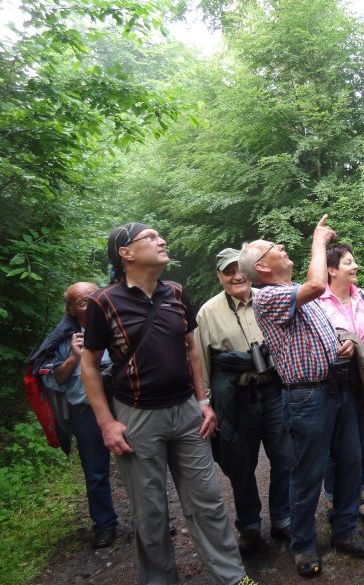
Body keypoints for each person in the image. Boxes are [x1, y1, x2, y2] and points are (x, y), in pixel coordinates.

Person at [80, 222, 251, 585]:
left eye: (160, 236)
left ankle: (232, 577)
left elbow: (191, 351)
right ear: (125, 254)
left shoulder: (175, 293)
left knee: (208, 501)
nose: (162, 241)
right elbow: (90, 366)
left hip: (187, 413)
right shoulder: (103, 302)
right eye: (151, 238)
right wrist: (106, 423)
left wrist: (203, 402)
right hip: (136, 415)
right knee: (150, 511)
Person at [239, 216, 364, 579]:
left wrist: (342, 344)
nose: (283, 249)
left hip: (338, 386)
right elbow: (318, 284)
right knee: (308, 473)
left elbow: (319, 331)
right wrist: (317, 239)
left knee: (349, 462)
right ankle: (303, 544)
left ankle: (345, 532)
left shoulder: (297, 290)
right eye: (276, 248)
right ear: (263, 266)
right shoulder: (267, 297)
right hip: (306, 398)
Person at [193, 248, 293, 555]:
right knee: (240, 465)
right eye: (228, 271)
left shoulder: (269, 299)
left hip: (274, 392)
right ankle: (249, 526)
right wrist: (206, 404)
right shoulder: (207, 312)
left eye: (240, 268)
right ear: (219, 276)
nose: (236, 275)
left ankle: (283, 518)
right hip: (235, 397)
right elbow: (201, 361)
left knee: (284, 457)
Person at [37, 282, 117, 549]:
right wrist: (73, 357)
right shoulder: (63, 338)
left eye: (94, 296)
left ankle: (150, 521)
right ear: (71, 309)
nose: (90, 302)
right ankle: (104, 525)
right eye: (82, 301)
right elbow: (52, 380)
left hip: (122, 406)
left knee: (139, 465)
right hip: (85, 412)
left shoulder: (117, 325)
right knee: (95, 472)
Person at [319, 243, 364, 524]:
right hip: (336, 384)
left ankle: (356, 495)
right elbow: (316, 343)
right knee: (337, 446)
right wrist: (337, 348)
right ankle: (335, 497)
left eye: (353, 261)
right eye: (348, 262)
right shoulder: (318, 302)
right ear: (332, 269)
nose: (355, 266)